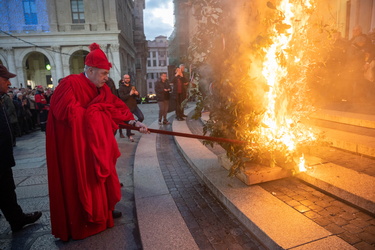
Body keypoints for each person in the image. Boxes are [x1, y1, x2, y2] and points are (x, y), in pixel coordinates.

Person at [46, 43, 148, 241]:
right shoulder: (69, 84)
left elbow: (115, 107)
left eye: (107, 73)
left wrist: (134, 122)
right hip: (75, 148)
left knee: (102, 178)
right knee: (80, 182)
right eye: (103, 73)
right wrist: (96, 113)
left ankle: (103, 211)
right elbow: (66, 112)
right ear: (90, 70)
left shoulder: (101, 90)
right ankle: (84, 219)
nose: (106, 77)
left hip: (95, 145)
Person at [0, 65, 42, 232]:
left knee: (7, 190)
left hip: (3, 156)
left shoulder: (2, 98)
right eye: (5, 79)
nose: (9, 83)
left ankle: (17, 219)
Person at [118, 74, 144, 141]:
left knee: (141, 117)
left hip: (134, 106)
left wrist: (137, 94)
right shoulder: (121, 88)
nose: (127, 79)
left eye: (128, 78)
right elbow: (122, 97)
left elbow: (137, 97)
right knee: (129, 120)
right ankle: (129, 135)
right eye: (126, 78)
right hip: (127, 107)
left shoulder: (132, 86)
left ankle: (134, 126)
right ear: (123, 79)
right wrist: (129, 94)